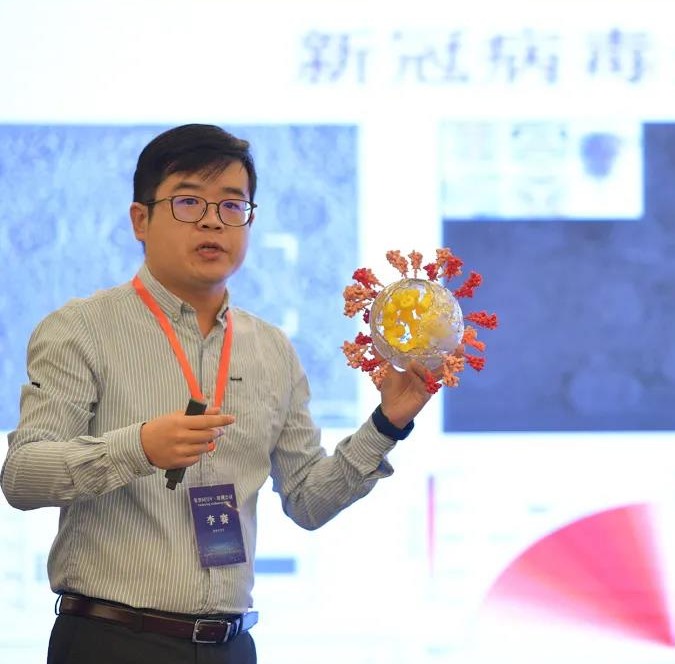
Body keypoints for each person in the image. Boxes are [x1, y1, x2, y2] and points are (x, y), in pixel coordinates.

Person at [1, 124, 436, 664]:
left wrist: (388, 423)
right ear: (140, 220)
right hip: (113, 640)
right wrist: (139, 447)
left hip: (230, 646)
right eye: (189, 202)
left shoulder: (271, 349)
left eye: (233, 206)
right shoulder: (81, 329)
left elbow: (308, 500)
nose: (213, 221)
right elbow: (22, 477)